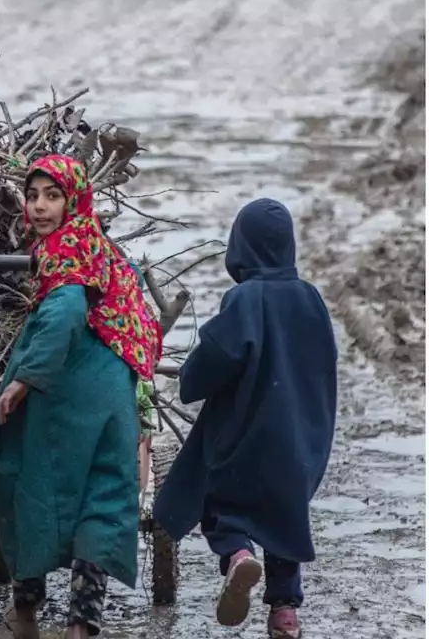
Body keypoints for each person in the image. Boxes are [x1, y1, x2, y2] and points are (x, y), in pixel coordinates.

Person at [0, 154, 162, 639]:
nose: (40, 207)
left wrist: (25, 378)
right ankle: (83, 624)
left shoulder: (64, 249)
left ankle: (25, 609)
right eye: (33, 195)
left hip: (71, 390)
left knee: (32, 482)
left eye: (53, 195)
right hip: (115, 393)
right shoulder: (102, 249)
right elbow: (139, 325)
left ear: (75, 200)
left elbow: (64, 309)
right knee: (104, 498)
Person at [153, 198, 337, 639]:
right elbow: (324, 363)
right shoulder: (311, 298)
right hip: (300, 443)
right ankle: (284, 614)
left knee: (224, 507)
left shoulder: (244, 299)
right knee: (284, 519)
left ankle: (237, 557)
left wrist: (190, 379)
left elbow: (217, 356)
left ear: (241, 246)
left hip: (246, 438)